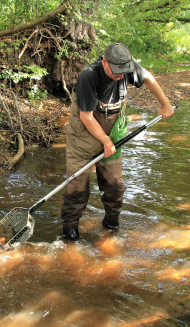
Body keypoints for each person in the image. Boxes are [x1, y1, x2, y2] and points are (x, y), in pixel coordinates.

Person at [60, 42, 175, 240]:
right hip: (83, 132)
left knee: (114, 185)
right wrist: (105, 141)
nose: (121, 76)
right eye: (116, 72)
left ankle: (111, 225)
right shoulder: (89, 75)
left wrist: (165, 105)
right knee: (76, 185)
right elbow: (87, 117)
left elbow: (149, 78)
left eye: (124, 72)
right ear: (105, 62)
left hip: (113, 128)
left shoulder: (127, 66)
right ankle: (70, 229)